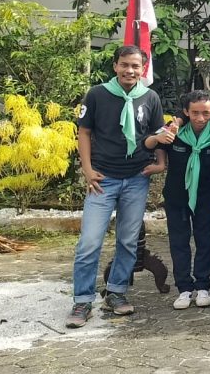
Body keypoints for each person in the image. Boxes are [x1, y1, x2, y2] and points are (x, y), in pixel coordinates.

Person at [66, 45, 167, 328]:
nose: (130, 70)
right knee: (89, 242)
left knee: (127, 240)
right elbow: (84, 132)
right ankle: (82, 300)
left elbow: (158, 132)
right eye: (125, 65)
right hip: (102, 180)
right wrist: (86, 169)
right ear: (115, 66)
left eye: (136, 66)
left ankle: (117, 292)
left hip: (136, 179)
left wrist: (160, 163)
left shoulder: (150, 97)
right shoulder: (98, 94)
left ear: (143, 69)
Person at [161, 90, 210, 310]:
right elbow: (150, 144)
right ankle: (184, 289)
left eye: (205, 113)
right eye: (195, 113)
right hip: (176, 195)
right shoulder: (174, 132)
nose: (200, 118)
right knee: (179, 242)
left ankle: (203, 286)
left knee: (205, 240)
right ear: (186, 112)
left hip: (205, 195)